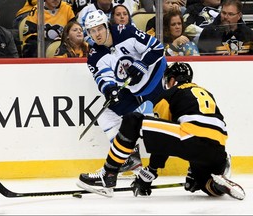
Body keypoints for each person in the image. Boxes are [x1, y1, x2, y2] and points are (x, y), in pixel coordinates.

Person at [77, 62, 246, 201]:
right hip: (217, 150)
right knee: (203, 182)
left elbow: (162, 142)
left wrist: (148, 174)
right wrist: (193, 170)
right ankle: (217, 184)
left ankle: (108, 174)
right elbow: (211, 128)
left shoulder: (170, 94)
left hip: (192, 139)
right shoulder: (206, 93)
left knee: (133, 120)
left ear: (172, 80)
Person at [80, 10, 167, 173]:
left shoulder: (126, 31)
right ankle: (129, 157)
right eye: (92, 31)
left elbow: (157, 47)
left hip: (156, 81)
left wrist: (142, 64)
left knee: (170, 119)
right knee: (107, 114)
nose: (96, 34)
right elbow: (101, 77)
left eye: (99, 28)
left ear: (106, 25)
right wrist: (109, 89)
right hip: (134, 91)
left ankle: (207, 152)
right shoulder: (94, 55)